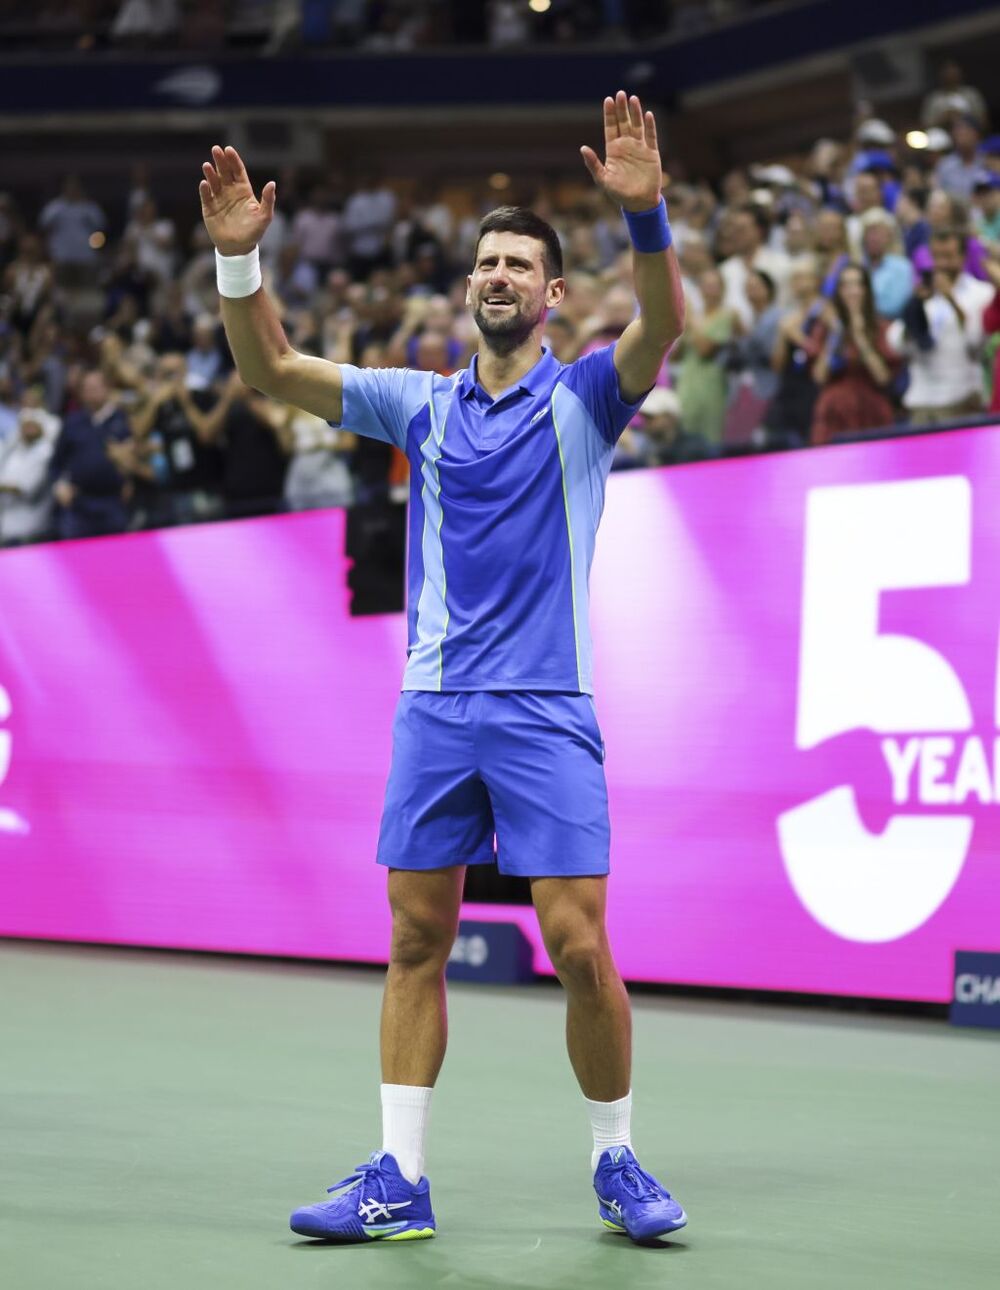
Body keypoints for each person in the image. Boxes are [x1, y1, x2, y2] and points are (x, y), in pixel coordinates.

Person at [199, 90, 687, 1245]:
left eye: (522, 262)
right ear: (469, 288)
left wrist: (649, 217)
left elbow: (660, 330)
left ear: (554, 293)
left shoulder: (584, 400)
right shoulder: (419, 406)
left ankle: (615, 1160)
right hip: (433, 712)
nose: (502, 276)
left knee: (577, 946)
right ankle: (398, 1180)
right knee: (415, 939)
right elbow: (269, 367)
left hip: (544, 710)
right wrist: (236, 266)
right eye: (488, 263)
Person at [888, 229, 994, 425]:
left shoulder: (982, 293)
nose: (942, 264)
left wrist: (952, 301)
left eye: (948, 256)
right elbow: (897, 345)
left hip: (962, 397)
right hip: (922, 398)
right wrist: (915, 308)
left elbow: (975, 345)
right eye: (936, 256)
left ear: (963, 257)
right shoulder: (922, 295)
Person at [810, 262, 897, 445]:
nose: (852, 291)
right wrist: (836, 334)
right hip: (834, 412)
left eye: (857, 284)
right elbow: (819, 377)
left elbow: (883, 378)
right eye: (845, 285)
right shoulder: (827, 328)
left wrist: (860, 338)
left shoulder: (881, 326)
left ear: (866, 289)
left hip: (871, 410)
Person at [48, 369, 131, 539]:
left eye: (96, 387)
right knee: (78, 559)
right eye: (87, 389)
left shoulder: (123, 419)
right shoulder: (73, 422)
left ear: (107, 388)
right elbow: (55, 463)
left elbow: (138, 453)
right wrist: (59, 485)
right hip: (79, 503)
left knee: (117, 555)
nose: (91, 393)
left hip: (113, 501)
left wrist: (131, 480)